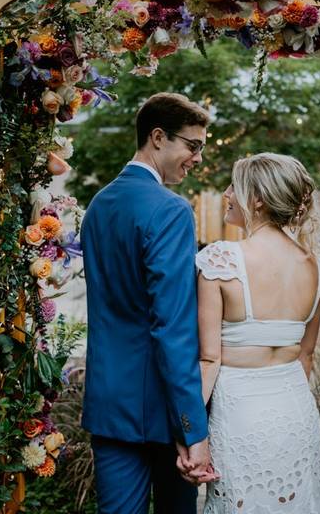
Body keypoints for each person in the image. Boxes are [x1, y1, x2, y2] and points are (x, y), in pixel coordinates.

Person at [81, 92, 216, 514]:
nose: (197, 158)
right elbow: (172, 327)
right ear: (158, 137)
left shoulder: (98, 206)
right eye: (192, 146)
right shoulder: (171, 211)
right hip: (163, 412)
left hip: (109, 403)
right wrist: (191, 426)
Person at [194, 153, 320, 513]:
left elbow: (209, 360)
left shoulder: (220, 260)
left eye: (233, 186)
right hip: (294, 409)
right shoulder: (315, 266)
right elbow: (305, 355)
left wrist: (190, 435)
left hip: (240, 412)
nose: (227, 193)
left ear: (257, 199)